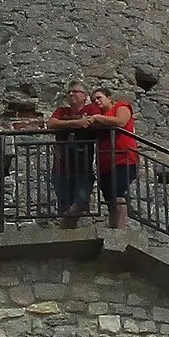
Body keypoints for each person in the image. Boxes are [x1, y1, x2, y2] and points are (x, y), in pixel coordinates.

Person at [44, 82, 96, 228]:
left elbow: (96, 120)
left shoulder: (90, 109)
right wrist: (77, 123)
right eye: (69, 92)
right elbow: (52, 123)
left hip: (82, 165)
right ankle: (67, 230)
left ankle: (65, 228)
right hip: (61, 165)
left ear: (84, 96)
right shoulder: (62, 111)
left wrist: (69, 124)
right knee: (64, 203)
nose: (71, 94)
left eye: (75, 91)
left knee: (81, 199)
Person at [89, 87, 140, 229]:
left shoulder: (121, 106)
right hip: (105, 164)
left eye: (99, 97)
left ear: (109, 98)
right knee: (111, 200)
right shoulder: (99, 116)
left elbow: (121, 122)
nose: (96, 101)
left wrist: (97, 118)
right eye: (94, 100)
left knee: (118, 194)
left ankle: (121, 229)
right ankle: (114, 229)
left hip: (124, 159)